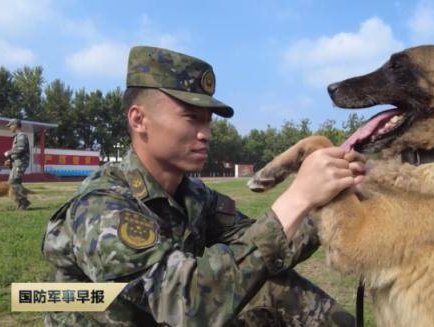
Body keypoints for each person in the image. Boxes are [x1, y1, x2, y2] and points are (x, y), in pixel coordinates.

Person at [41, 46, 365, 326]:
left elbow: (264, 251)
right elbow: (186, 304)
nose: (206, 133)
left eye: (208, 121)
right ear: (139, 120)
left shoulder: (193, 196)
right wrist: (297, 197)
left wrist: (331, 198)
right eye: (191, 117)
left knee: (273, 286)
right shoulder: (101, 207)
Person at [4, 118, 31, 210]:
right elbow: (17, 152)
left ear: (15, 125)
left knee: (12, 182)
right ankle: (21, 203)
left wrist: (9, 152)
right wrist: (10, 160)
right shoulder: (17, 136)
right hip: (16, 163)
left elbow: (21, 149)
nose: (9, 128)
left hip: (20, 163)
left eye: (10, 125)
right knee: (15, 182)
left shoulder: (21, 136)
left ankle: (24, 202)